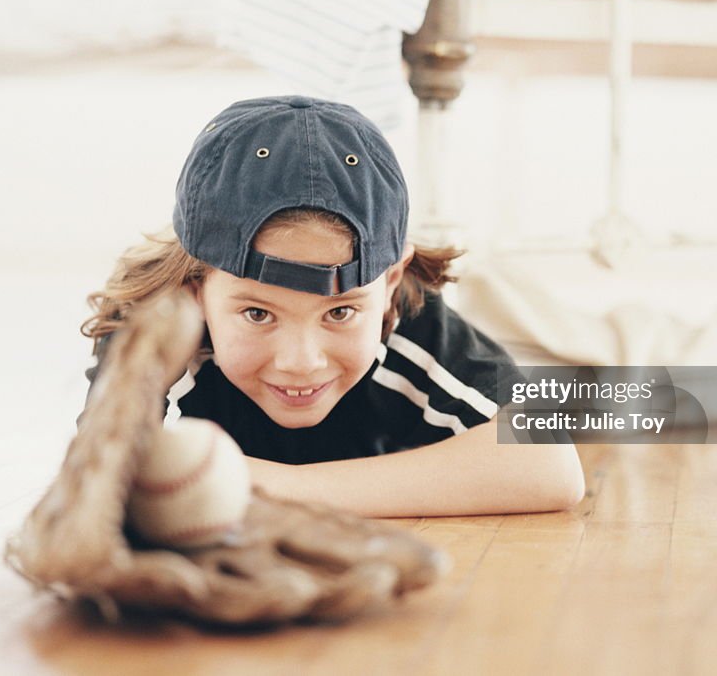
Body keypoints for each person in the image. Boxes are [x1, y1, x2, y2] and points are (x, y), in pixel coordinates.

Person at [80, 95, 586, 518]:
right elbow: (101, 475)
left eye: (339, 312)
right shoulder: (152, 319)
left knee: (629, 390)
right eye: (258, 313)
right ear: (194, 289)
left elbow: (552, 467)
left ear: (389, 283)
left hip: (467, 389)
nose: (302, 360)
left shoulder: (409, 316)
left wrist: (255, 485)